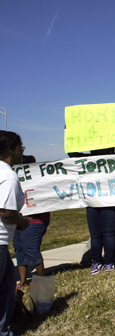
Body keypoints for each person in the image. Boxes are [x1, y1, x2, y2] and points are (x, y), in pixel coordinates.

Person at [69, 118, 115, 274]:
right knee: (95, 235)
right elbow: (72, 153)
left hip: (111, 200)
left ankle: (109, 262)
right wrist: (69, 133)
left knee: (109, 232)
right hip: (93, 201)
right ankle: (96, 262)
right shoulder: (87, 159)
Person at [0, 131, 29, 335]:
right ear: (11, 150)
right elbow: (6, 212)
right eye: (21, 147)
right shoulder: (8, 176)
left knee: (7, 289)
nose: (22, 151)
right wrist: (22, 221)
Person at [13, 155, 50, 289]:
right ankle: (23, 281)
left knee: (31, 249)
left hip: (35, 220)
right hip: (18, 219)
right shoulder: (14, 179)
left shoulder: (40, 181)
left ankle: (42, 281)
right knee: (19, 249)